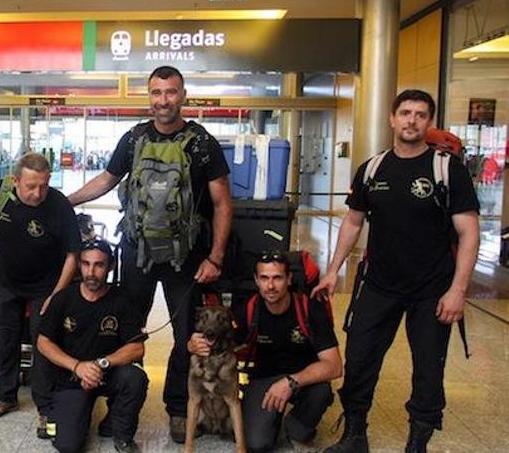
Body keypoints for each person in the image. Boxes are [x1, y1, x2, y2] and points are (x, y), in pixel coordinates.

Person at [67, 65, 233, 442]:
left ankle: (178, 409)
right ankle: (121, 407)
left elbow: (223, 203)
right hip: (137, 253)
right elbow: (107, 181)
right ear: (149, 96)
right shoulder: (133, 139)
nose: (163, 101)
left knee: (185, 336)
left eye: (171, 92)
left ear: (183, 95)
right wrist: (65, 201)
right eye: (157, 93)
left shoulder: (202, 143)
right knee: (126, 332)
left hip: (185, 257)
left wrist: (216, 257)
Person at [313, 90, 481, 453]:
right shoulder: (373, 169)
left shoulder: (447, 169)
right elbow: (353, 223)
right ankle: (355, 434)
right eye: (405, 113)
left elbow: (469, 232)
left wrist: (458, 290)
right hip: (378, 284)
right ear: (392, 118)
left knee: (428, 368)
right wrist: (332, 271)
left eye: (421, 115)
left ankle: (417, 440)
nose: (412, 120)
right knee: (359, 359)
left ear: (429, 122)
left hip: (432, 288)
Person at [0, 152, 81, 437]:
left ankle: (45, 406)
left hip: (45, 286)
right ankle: (5, 396)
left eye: (44, 185)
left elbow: (73, 255)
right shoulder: (1, 192)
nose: (38, 193)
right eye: (31, 186)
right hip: (6, 281)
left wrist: (56, 295)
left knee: (43, 343)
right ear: (15, 180)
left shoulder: (58, 205)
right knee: (5, 338)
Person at [189, 251, 342, 452]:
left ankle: (295, 425)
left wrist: (290, 382)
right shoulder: (249, 310)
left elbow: (335, 366)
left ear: (289, 279)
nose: (270, 286)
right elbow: (222, 343)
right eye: (264, 278)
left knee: (319, 395)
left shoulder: (310, 308)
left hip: (304, 381)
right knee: (256, 443)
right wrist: (192, 344)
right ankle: (272, 421)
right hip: (264, 380)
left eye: (277, 278)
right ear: (256, 281)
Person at [38, 239, 148, 453]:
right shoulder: (63, 298)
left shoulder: (123, 300)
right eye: (86, 264)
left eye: (99, 265)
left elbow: (137, 348)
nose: (91, 271)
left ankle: (120, 432)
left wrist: (100, 365)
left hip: (107, 373)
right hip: (71, 377)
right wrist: (78, 367)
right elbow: (43, 342)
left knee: (135, 378)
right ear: (79, 265)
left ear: (111, 266)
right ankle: (71, 412)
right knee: (68, 446)